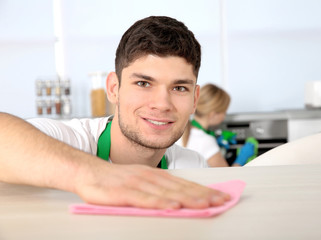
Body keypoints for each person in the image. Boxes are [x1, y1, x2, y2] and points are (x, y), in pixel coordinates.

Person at [0, 16, 230, 210]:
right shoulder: (71, 141)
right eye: (143, 83)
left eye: (179, 88)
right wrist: (96, 174)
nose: (162, 104)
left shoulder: (192, 166)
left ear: (194, 100)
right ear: (113, 89)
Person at [177, 83, 258, 167]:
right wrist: (241, 160)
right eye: (224, 112)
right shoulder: (206, 141)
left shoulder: (183, 131)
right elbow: (228, 177)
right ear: (213, 115)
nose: (224, 117)